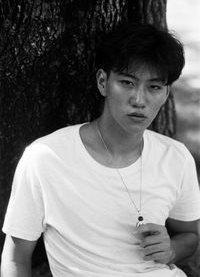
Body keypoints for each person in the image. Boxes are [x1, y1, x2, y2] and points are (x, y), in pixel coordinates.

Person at [1, 23, 200, 277]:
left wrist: (171, 249)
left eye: (154, 87)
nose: (139, 100)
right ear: (103, 82)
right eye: (127, 83)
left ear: (165, 93)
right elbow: (16, 259)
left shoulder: (176, 157)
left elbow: (190, 235)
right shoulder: (46, 157)